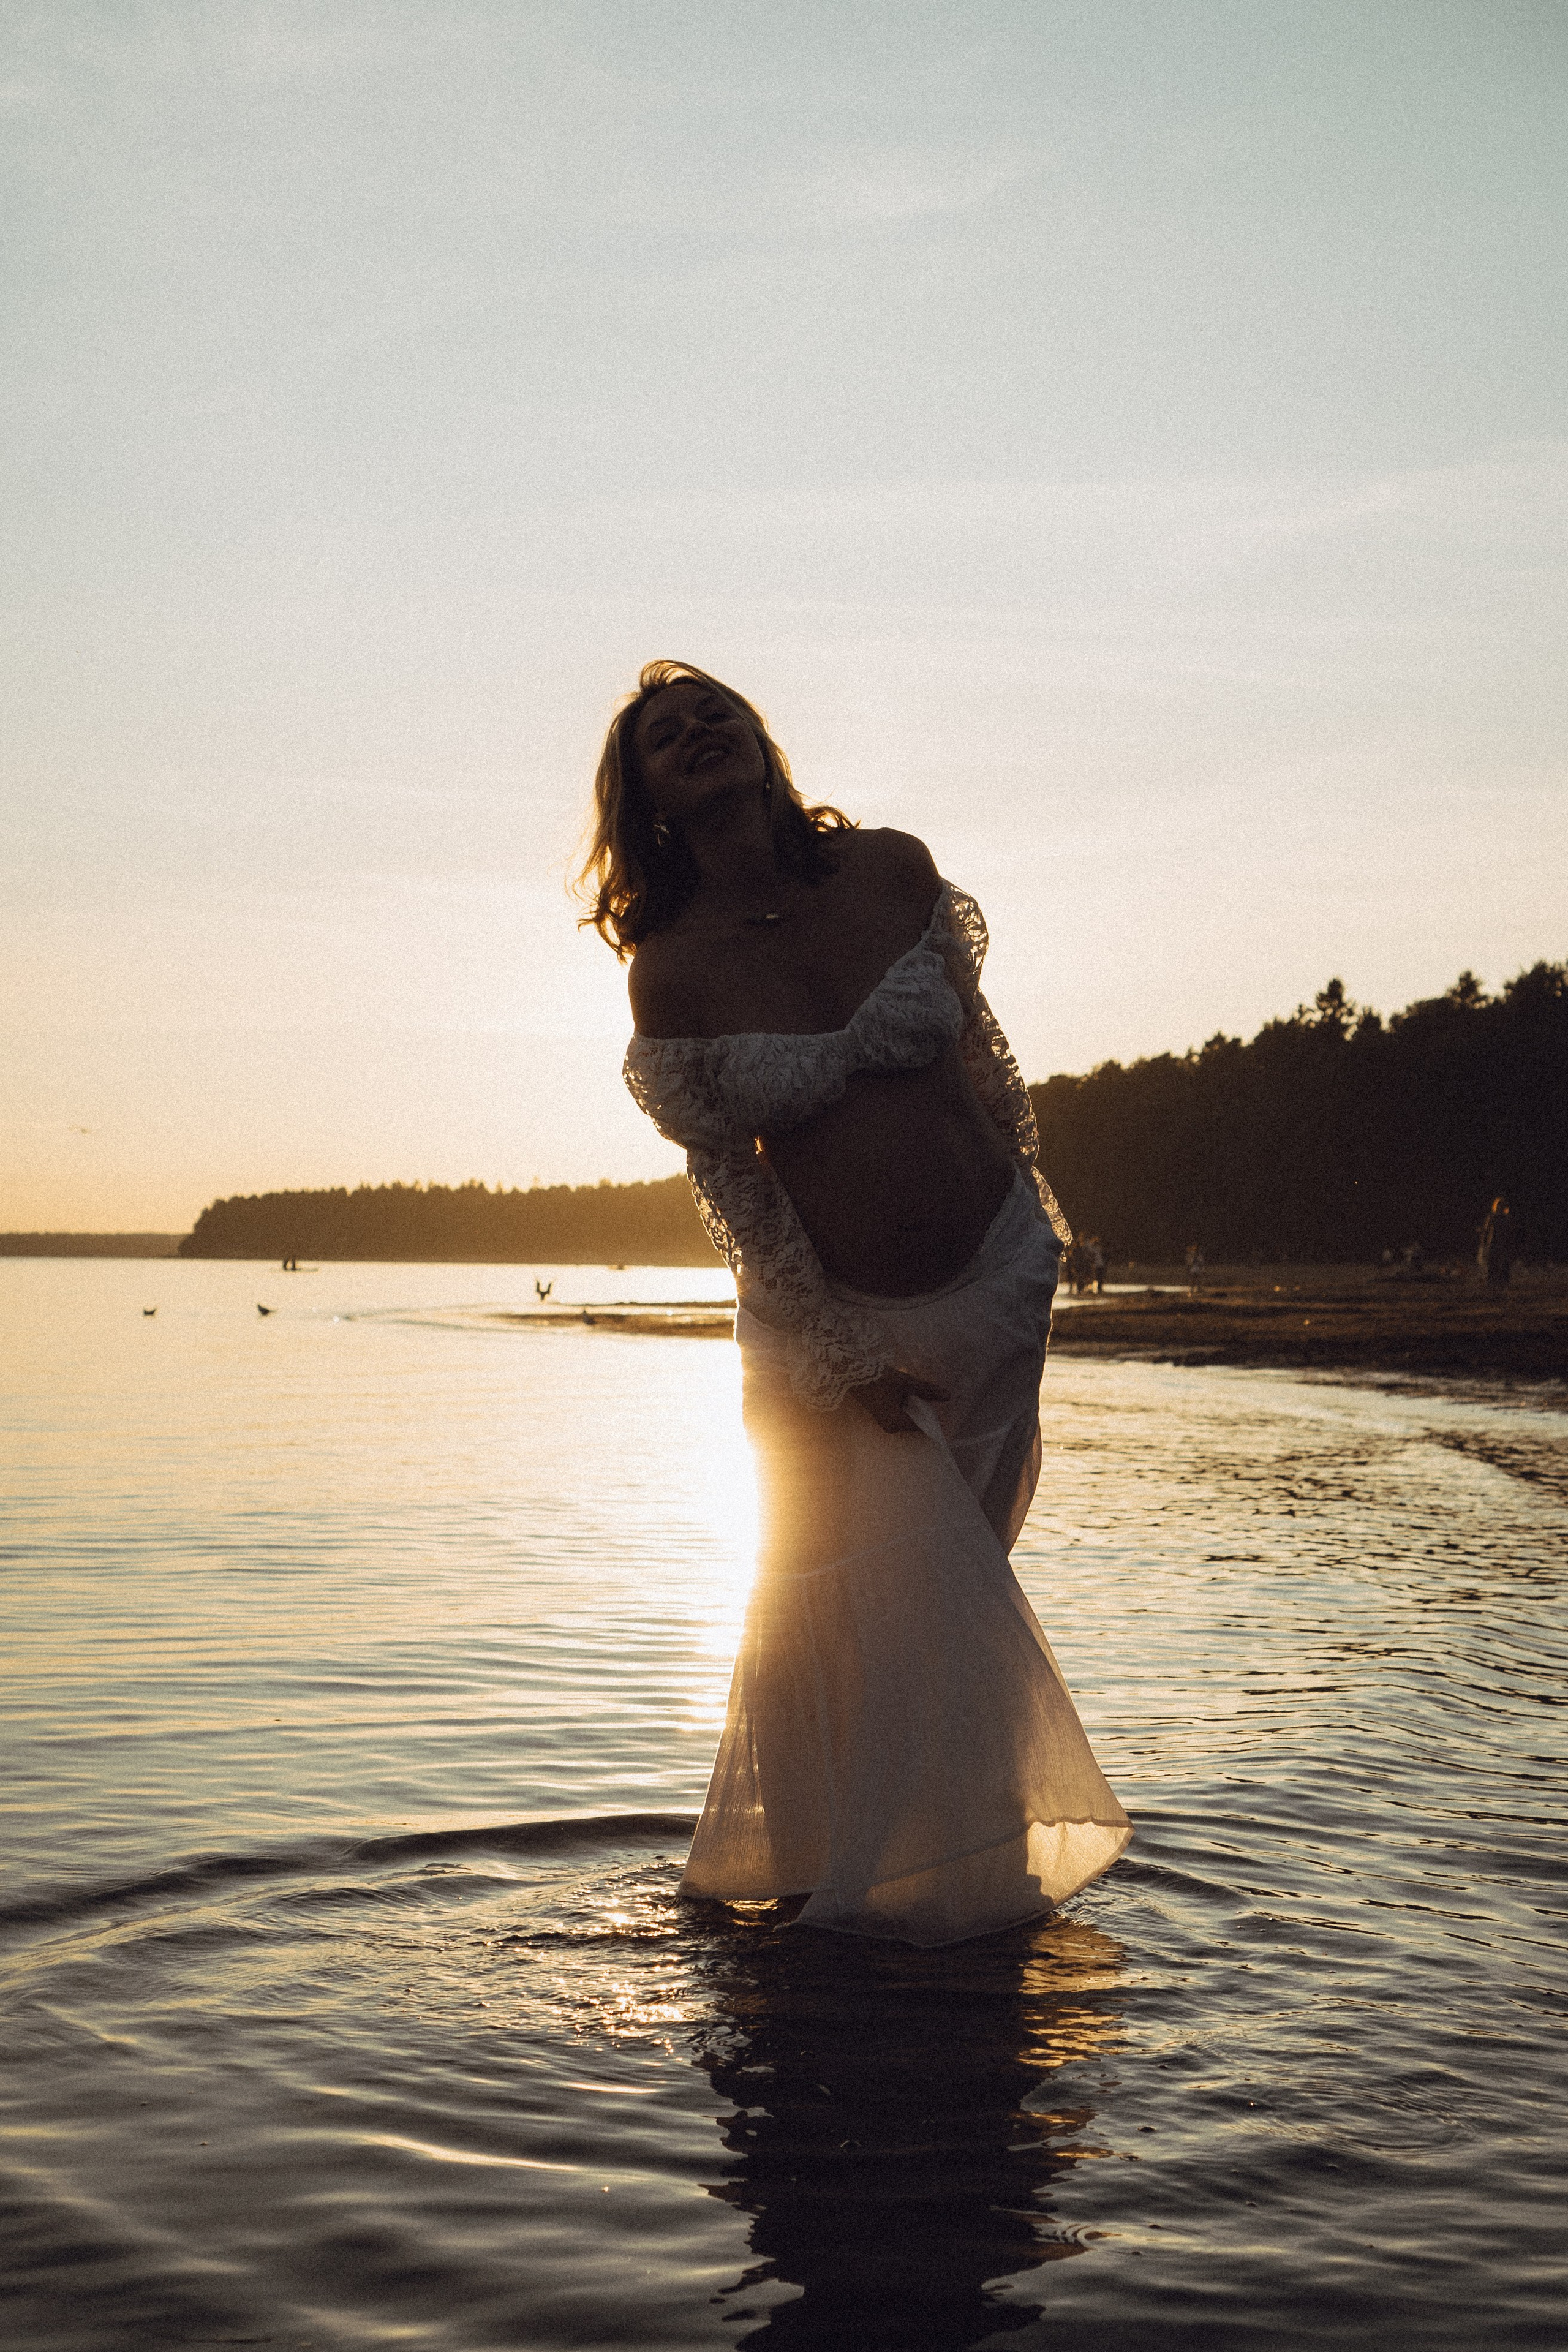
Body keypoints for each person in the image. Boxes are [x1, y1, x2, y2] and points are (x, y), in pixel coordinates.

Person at [580, 661, 1129, 1947]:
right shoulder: (670, 974)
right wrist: (834, 1355)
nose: (698, 731)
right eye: (666, 736)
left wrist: (1039, 1233)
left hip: (990, 1289)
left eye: (713, 711)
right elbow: (736, 1194)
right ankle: (835, 1890)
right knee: (838, 1612)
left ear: (758, 743)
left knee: (955, 1601)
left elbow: (982, 1061)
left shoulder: (889, 871)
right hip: (825, 1333)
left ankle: (946, 1895)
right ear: (648, 799)